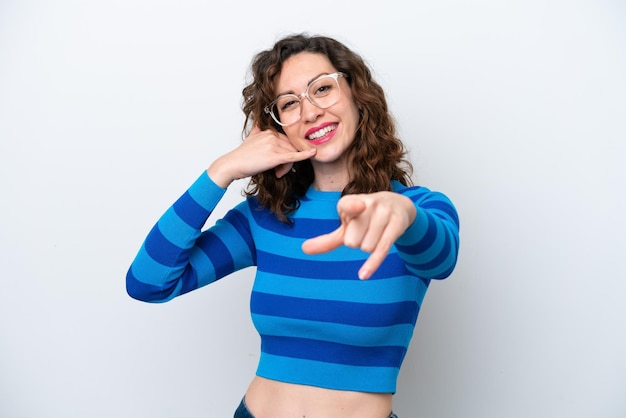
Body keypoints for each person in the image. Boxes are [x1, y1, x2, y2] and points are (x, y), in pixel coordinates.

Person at [126, 33, 460, 418]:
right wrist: (222, 171)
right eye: (289, 104)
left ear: (356, 94)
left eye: (322, 88)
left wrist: (405, 215)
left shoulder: (417, 209)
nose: (310, 111)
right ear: (277, 125)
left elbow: (441, 260)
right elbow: (148, 283)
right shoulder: (265, 217)